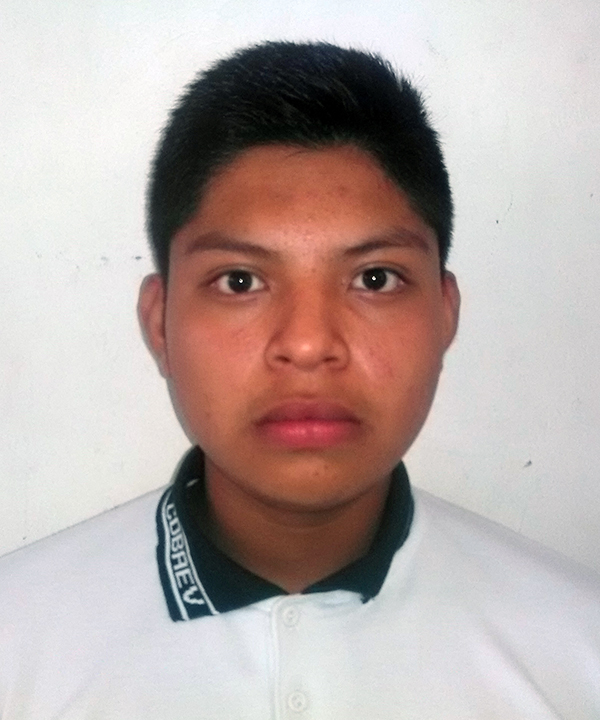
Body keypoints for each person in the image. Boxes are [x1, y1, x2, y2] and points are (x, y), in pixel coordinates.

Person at [0, 40, 599, 719]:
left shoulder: (578, 654)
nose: (309, 345)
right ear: (160, 322)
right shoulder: (18, 645)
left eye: (375, 278)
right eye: (240, 281)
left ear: (445, 312)